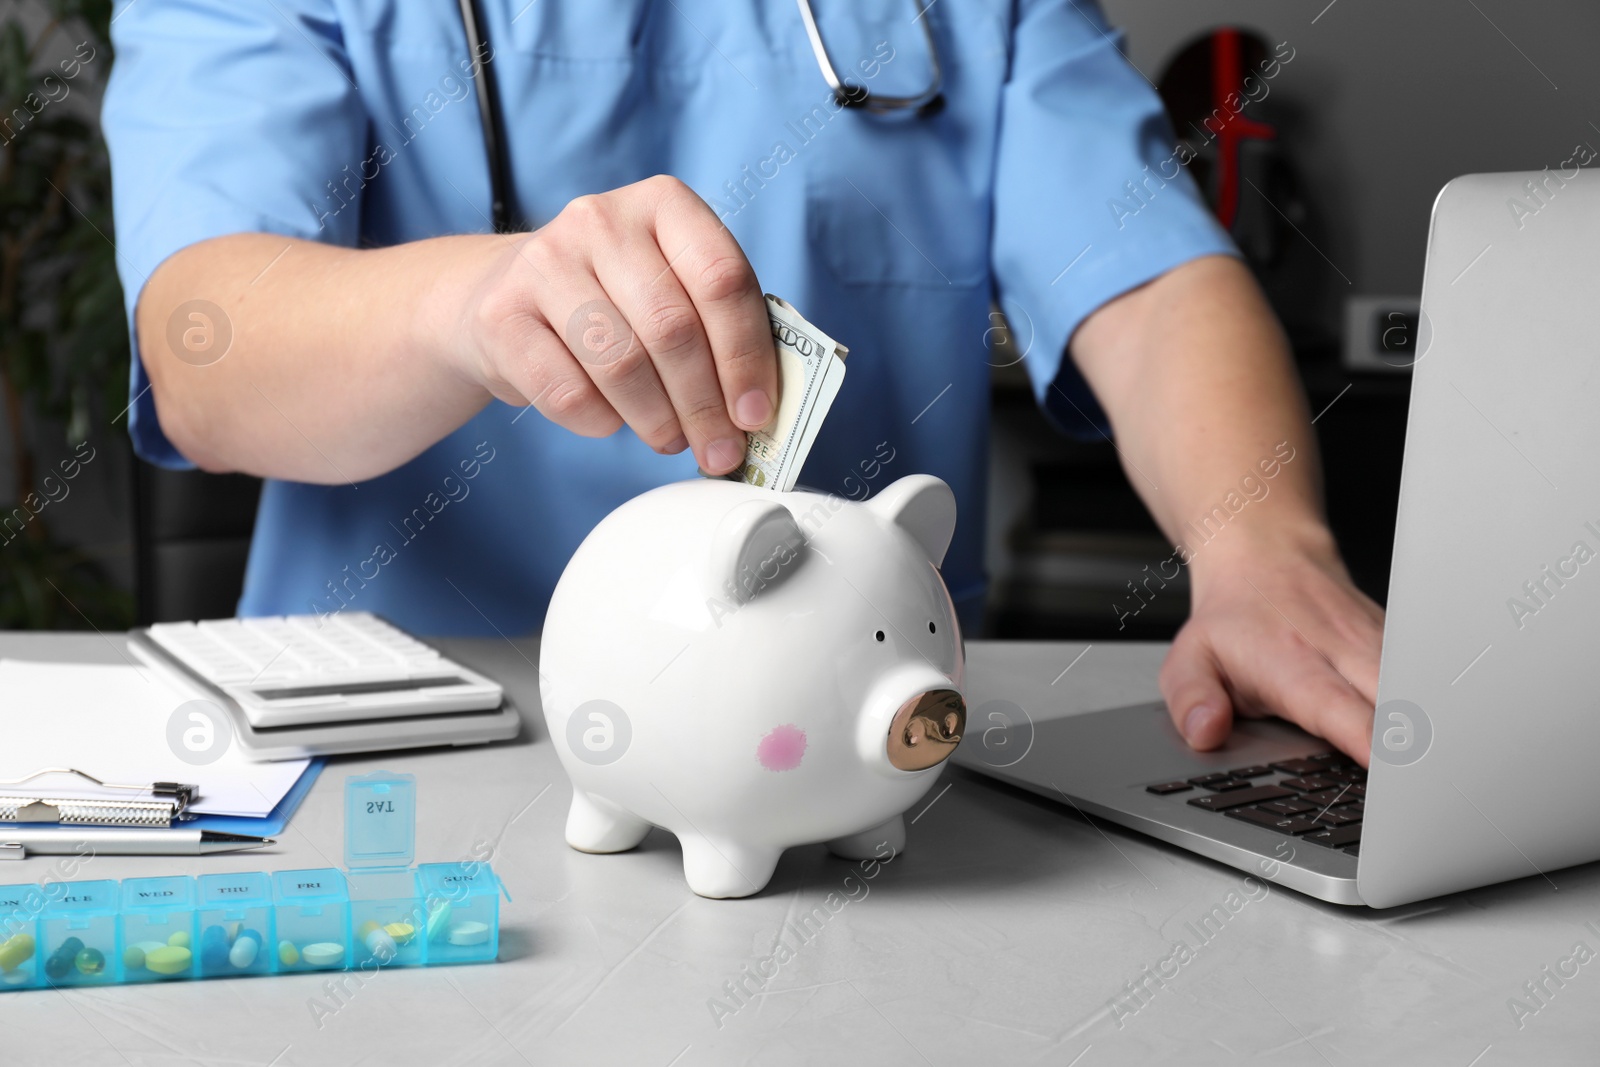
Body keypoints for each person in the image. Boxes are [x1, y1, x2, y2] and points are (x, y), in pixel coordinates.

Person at [103, 0, 1383, 762]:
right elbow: (203, 348)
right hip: (405, 755)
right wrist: (471, 306)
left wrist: (1264, 548)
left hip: (849, 756)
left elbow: (1148, 274)